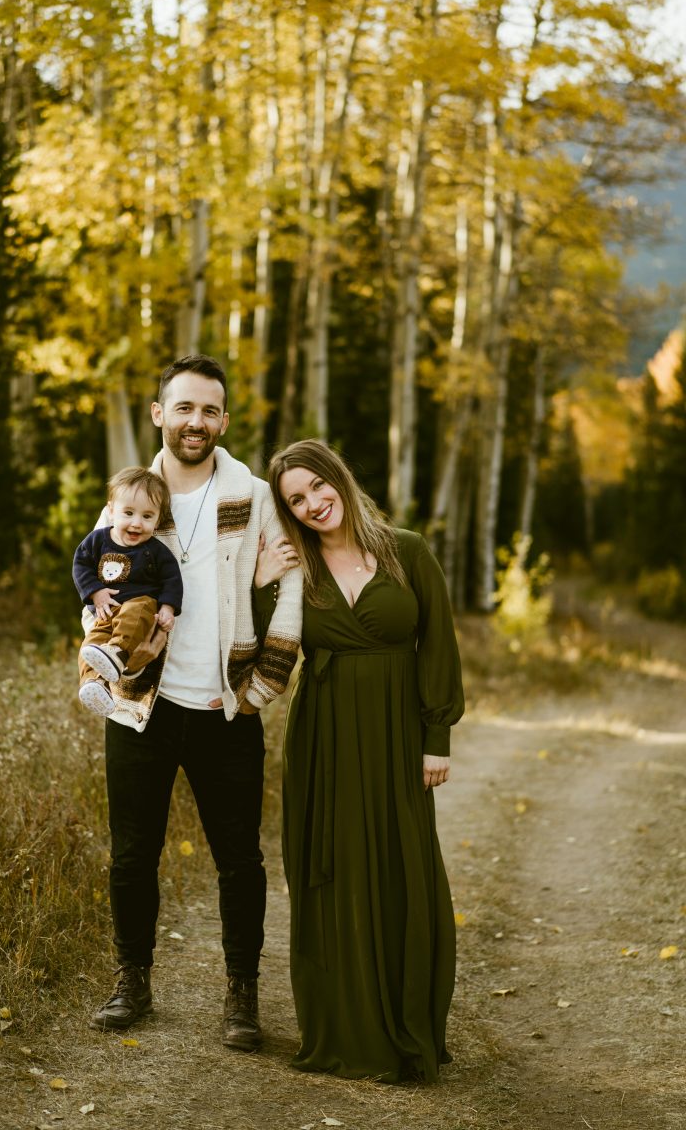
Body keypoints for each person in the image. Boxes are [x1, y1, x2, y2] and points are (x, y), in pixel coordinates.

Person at [88, 355, 302, 1053]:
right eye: (183, 408)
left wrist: (265, 683)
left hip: (224, 709)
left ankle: (242, 996)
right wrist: (101, 649)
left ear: (225, 422)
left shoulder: (257, 494)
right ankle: (133, 982)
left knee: (240, 860)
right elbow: (97, 575)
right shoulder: (134, 495)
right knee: (131, 855)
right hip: (142, 705)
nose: (195, 422)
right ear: (159, 414)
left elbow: (292, 582)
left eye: (209, 410)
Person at [266, 438, 464, 1083]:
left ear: (339, 480)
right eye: (296, 499)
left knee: (404, 867)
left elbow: (437, 641)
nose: (313, 504)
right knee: (332, 868)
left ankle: (408, 1030)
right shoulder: (295, 569)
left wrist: (438, 736)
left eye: (318, 487)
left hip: (398, 733)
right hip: (322, 733)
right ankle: (347, 1031)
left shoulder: (406, 550)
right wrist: (263, 582)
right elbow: (259, 648)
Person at [73, 467, 183, 718]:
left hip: (139, 609)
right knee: (90, 645)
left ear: (158, 520)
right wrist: (95, 592)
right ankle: (94, 684)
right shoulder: (97, 541)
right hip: (106, 612)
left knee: (141, 606)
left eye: (147, 516)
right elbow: (81, 565)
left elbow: (172, 580)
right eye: (129, 513)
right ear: (111, 511)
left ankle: (118, 652)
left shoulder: (156, 551)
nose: (136, 523)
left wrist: (167, 608)